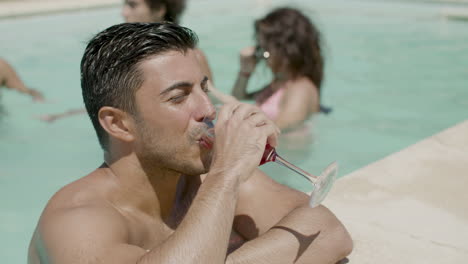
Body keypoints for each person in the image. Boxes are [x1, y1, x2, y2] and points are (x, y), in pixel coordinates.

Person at [28, 23, 352, 264]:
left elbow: (326, 230)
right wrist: (225, 175)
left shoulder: (203, 175)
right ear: (118, 123)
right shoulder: (76, 223)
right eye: (180, 97)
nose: (208, 109)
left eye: (203, 88)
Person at [39, 0, 221, 122]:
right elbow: (123, 105)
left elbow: (211, 103)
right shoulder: (130, 57)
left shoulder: (192, 57)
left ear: (159, 9)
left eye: (132, 5)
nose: (124, 12)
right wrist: (65, 114)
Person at [231, 7, 330, 132]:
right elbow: (237, 96)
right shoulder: (280, 83)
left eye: (265, 49)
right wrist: (245, 71)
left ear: (285, 50)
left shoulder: (300, 89)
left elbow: (277, 132)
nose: (262, 55)